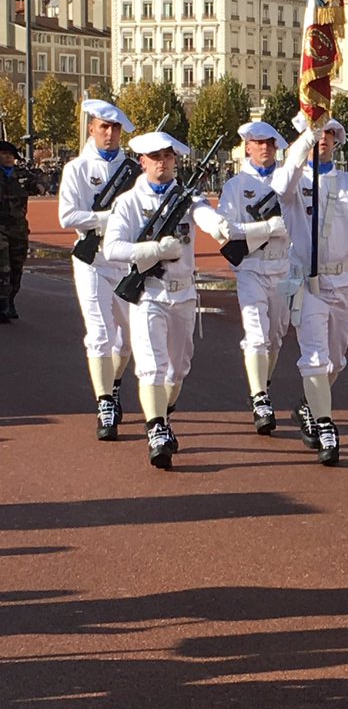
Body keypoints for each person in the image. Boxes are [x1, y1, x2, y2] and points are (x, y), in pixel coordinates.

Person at [103, 130, 231, 469]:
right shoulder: (128, 202)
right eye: (155, 157)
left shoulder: (187, 197)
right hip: (149, 293)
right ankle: (156, 428)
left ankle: (164, 413)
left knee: (179, 366)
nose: (162, 162)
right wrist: (155, 250)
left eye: (168, 156)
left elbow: (202, 213)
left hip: (184, 293)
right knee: (152, 365)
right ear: (143, 162)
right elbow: (112, 248)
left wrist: (218, 224)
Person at [58, 99, 137, 439]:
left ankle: (114, 384)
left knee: (128, 339)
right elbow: (67, 216)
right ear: (91, 128)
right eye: (104, 126)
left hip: (126, 261)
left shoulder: (134, 169)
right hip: (92, 260)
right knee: (100, 334)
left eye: (115, 127)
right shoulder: (76, 168)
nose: (110, 133)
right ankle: (104, 402)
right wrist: (108, 219)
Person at [282, 114, 348, 467]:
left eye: (327, 133)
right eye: (316, 133)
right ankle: (326, 426)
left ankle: (310, 404)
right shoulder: (295, 179)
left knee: (336, 359)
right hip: (306, 279)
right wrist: (304, 143)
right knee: (314, 355)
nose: (322, 138)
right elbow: (282, 185)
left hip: (342, 279)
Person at [217, 120, 291, 435]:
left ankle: (264, 381)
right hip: (250, 266)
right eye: (258, 143)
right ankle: (260, 397)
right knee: (257, 334)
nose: (264, 148)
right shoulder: (236, 185)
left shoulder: (288, 181)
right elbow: (227, 229)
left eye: (269, 143)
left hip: (283, 267)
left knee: (277, 334)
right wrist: (266, 228)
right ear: (247, 147)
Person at [0, 140, 29, 325]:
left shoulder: (22, 175)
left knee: (17, 267)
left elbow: (39, 185)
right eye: (4, 154)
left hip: (19, 229)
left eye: (11, 155)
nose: (9, 158)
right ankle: (2, 305)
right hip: (0, 228)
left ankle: (10, 301)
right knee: (3, 267)